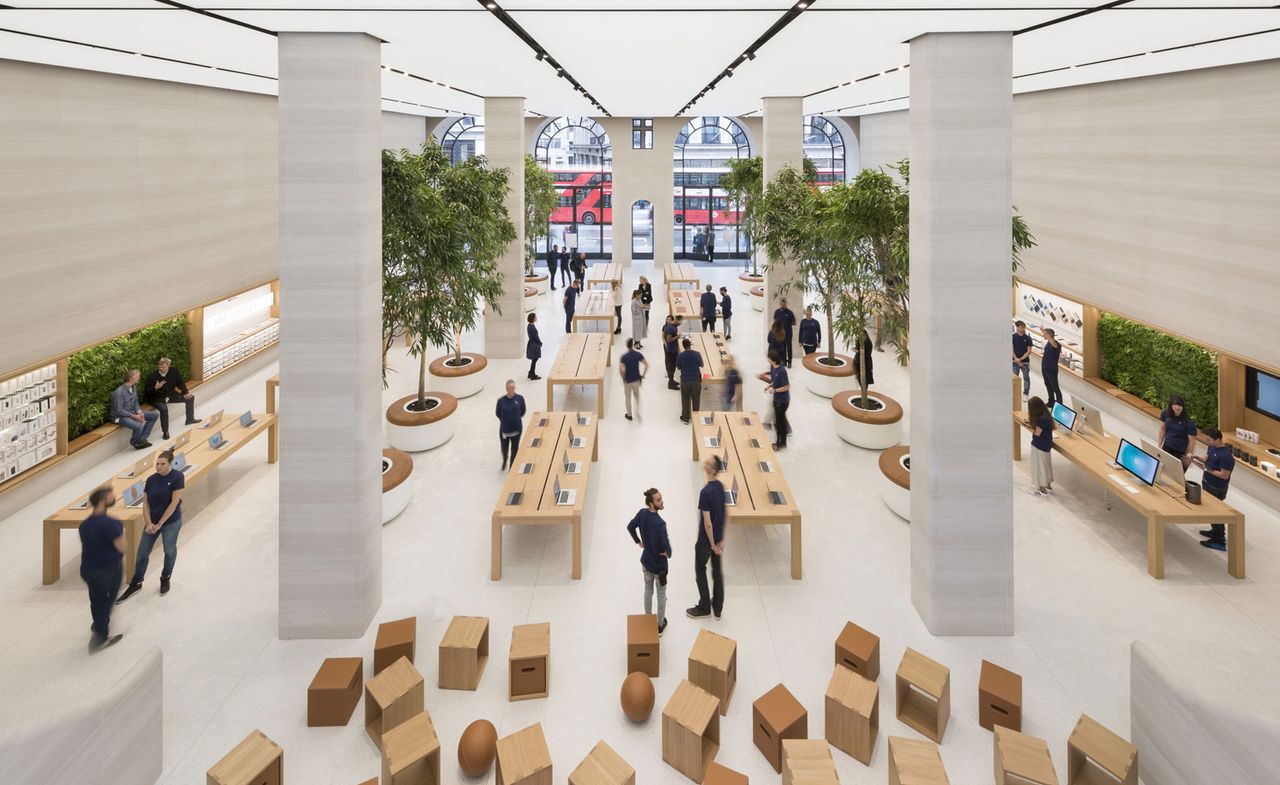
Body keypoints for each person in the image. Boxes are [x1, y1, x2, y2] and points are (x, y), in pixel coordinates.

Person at [116, 449, 186, 603]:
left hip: (170, 521)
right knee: (142, 553)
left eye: (162, 464)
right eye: (157, 463)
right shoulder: (151, 479)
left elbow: (174, 503)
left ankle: (165, 577)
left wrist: (160, 523)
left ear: (170, 464)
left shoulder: (177, 477)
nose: (158, 466)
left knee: (169, 550)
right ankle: (136, 582)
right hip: (152, 523)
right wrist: (149, 523)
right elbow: (145, 503)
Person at [80, 485, 125, 651]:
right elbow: (122, 547)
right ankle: (100, 635)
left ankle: (98, 623)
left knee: (96, 598)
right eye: (112, 496)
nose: (114, 498)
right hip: (108, 569)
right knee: (107, 600)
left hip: (88, 569)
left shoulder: (84, 524)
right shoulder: (111, 523)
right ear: (103, 500)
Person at [687, 455, 727, 620]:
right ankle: (717, 607)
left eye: (708, 462)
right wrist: (721, 540)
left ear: (711, 469)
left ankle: (704, 607)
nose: (705, 463)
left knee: (700, 569)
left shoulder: (705, 492)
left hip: (707, 541)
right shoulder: (720, 486)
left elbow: (707, 523)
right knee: (717, 572)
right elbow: (725, 514)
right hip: (718, 538)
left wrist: (711, 544)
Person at [628, 487, 671, 634]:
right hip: (660, 567)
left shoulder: (642, 514)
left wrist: (638, 541)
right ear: (651, 503)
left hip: (646, 562)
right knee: (661, 594)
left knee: (647, 590)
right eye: (658, 500)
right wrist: (668, 552)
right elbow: (666, 547)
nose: (661, 501)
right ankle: (659, 625)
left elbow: (630, 526)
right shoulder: (660, 524)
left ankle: (647, 620)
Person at [1194, 427, 1234, 552]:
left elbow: (1224, 475)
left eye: (1209, 440)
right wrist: (1195, 458)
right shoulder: (1212, 447)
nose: (1207, 442)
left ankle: (1219, 540)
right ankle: (1215, 531)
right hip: (1207, 482)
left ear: (1217, 439)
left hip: (1217, 488)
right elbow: (1206, 458)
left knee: (1216, 513)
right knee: (1209, 511)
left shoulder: (1226, 456)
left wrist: (1207, 470)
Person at [144, 357, 200, 441]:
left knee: (190, 398)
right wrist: (155, 388)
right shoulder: (153, 376)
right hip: (157, 398)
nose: (161, 368)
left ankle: (190, 419)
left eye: (163, 367)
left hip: (170, 396)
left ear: (168, 366)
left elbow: (180, 382)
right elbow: (148, 392)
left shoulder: (174, 371)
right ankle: (165, 432)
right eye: (159, 367)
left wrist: (185, 392)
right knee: (164, 409)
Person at [111, 369, 159, 450]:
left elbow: (135, 401)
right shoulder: (119, 392)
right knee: (139, 426)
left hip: (132, 412)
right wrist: (134, 416)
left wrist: (139, 412)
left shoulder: (134, 387)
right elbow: (119, 411)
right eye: (137, 376)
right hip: (119, 417)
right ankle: (135, 443)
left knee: (154, 416)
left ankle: (142, 439)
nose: (139, 377)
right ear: (131, 377)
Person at [1158, 394, 1198, 469]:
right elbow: (1162, 429)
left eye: (1180, 405)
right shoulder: (1165, 413)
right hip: (1167, 445)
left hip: (1179, 451)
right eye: (1175, 405)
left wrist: (1188, 455)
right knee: (1162, 468)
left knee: (1173, 471)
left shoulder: (1189, 423)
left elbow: (1192, 441)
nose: (1177, 407)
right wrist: (1159, 445)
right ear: (1171, 405)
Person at [495, 380, 526, 472]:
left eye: (513, 387)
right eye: (510, 388)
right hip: (505, 431)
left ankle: (511, 467)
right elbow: (498, 413)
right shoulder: (501, 401)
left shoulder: (520, 398)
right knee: (504, 449)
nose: (512, 389)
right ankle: (505, 460)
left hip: (517, 430)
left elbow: (523, 411)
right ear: (506, 389)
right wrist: (505, 420)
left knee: (514, 449)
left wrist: (515, 419)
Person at [762, 351, 791, 449]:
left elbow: (787, 387)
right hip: (776, 400)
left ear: (772, 360)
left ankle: (781, 444)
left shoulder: (782, 371)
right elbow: (775, 381)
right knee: (777, 422)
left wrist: (774, 390)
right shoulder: (773, 369)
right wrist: (770, 386)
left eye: (768, 358)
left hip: (782, 401)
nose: (767, 359)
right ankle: (779, 441)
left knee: (780, 423)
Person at [1027, 396, 1054, 496]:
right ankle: (1048, 486)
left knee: (1040, 467)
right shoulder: (1046, 416)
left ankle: (1042, 490)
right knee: (1046, 465)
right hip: (1045, 446)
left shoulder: (1042, 419)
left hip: (1039, 445)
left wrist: (1031, 427)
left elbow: (1037, 433)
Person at [677, 337, 704, 424]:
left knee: (685, 399)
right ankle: (696, 418)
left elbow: (678, 367)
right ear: (690, 345)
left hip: (685, 380)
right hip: (695, 380)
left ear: (683, 346)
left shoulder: (680, 356)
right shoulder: (697, 354)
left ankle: (685, 418)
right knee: (696, 399)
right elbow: (702, 365)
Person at [620, 338, 648, 421]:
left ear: (626, 345)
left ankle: (629, 414)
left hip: (628, 380)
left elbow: (621, 369)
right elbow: (646, 364)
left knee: (627, 397)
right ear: (632, 345)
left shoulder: (624, 357)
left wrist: (623, 378)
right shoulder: (638, 354)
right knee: (637, 396)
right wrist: (643, 375)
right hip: (636, 379)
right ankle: (638, 411)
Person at [1041, 327, 1063, 406]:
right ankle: (1051, 401)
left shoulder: (1056, 345)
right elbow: (1049, 338)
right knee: (1048, 385)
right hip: (1045, 367)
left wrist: (1045, 333)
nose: (1043, 335)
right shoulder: (1048, 342)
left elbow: (1052, 342)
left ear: (1049, 335)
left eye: (1044, 334)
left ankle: (1059, 404)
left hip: (1051, 369)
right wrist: (1043, 330)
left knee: (1055, 387)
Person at [1012, 321, 1033, 397]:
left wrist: (1020, 360)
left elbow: (1029, 351)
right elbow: (1011, 349)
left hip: (1025, 362)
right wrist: (1016, 359)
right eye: (1022, 327)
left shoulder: (1028, 338)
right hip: (1014, 361)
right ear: (1017, 327)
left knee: (1026, 378)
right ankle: (1014, 393)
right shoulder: (1013, 337)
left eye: (1024, 327)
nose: (1023, 329)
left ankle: (1025, 394)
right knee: (1015, 378)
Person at [773, 299, 796, 367]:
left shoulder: (790, 312)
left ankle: (789, 362)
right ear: (780, 304)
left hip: (788, 334)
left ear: (786, 304)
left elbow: (794, 322)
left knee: (789, 348)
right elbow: (775, 322)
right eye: (782, 304)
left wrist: (788, 322)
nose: (783, 305)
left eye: (784, 304)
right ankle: (784, 361)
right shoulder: (777, 312)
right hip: (780, 334)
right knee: (782, 348)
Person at [662, 315, 681, 391]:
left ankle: (672, 380)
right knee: (671, 365)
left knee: (673, 366)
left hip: (673, 349)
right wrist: (677, 337)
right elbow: (668, 340)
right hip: (671, 350)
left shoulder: (672, 327)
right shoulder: (671, 328)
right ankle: (670, 383)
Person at [526, 313, 542, 381]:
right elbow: (536, 338)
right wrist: (540, 343)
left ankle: (530, 373)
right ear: (533, 318)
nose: (536, 317)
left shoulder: (529, 326)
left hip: (531, 344)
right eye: (535, 317)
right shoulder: (532, 328)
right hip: (534, 345)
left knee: (534, 360)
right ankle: (532, 375)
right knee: (534, 360)